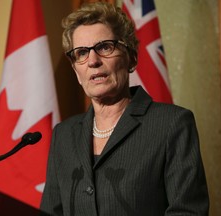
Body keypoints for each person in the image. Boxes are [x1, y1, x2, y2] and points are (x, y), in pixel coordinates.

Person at [40, 2, 209, 215]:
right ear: (76, 71)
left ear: (131, 57)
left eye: (104, 47)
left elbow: (188, 212)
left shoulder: (171, 125)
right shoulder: (63, 136)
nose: (93, 61)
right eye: (82, 52)